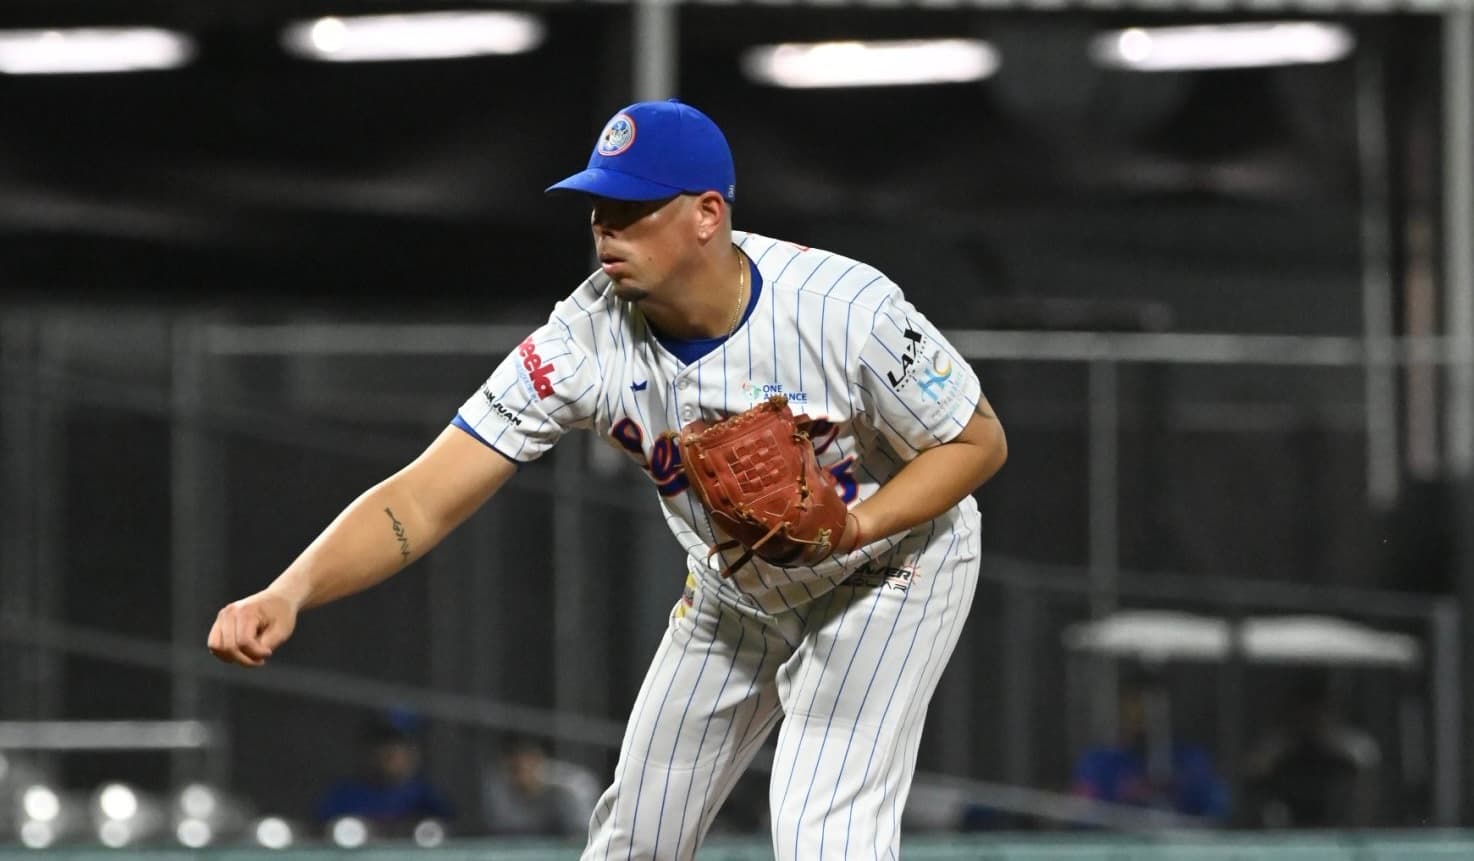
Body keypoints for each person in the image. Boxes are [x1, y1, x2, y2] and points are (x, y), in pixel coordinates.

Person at [207, 98, 1008, 860]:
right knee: (636, 838)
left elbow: (978, 440)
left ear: (708, 214)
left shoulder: (842, 308)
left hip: (891, 564)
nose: (605, 230)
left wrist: (856, 526)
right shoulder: (580, 343)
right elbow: (421, 496)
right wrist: (290, 589)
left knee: (821, 821)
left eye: (632, 209)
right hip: (739, 588)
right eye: (598, 208)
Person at [1070, 679, 1229, 823]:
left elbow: (1218, 812)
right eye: (1136, 708)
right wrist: (1129, 794)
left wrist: (1176, 789)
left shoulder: (1190, 760)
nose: (1145, 717)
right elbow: (1081, 816)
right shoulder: (1099, 762)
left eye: (1154, 707)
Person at [1242, 673, 1380, 828]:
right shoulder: (1280, 746)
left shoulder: (1349, 749)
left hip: (1337, 827)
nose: (1312, 719)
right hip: (1288, 826)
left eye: (1318, 712)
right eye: (1306, 712)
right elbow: (1255, 771)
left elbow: (1366, 767)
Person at [314, 715, 454, 832]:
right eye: (381, 748)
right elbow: (321, 830)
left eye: (395, 750)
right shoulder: (343, 795)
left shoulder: (425, 796)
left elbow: (449, 828)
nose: (387, 756)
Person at [482, 735, 597, 837]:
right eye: (516, 765)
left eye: (530, 759)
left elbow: (584, 831)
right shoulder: (500, 784)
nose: (524, 767)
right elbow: (504, 829)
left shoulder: (569, 784)